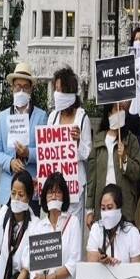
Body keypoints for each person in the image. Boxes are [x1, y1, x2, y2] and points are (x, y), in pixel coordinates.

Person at [0, 62, 49, 214]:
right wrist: (10, 162)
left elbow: (46, 152)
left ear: (31, 89)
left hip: (31, 188)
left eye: (25, 87)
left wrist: (28, 154)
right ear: (12, 87)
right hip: (8, 190)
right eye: (18, 86)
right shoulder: (3, 117)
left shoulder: (41, 116)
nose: (21, 90)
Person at [25, 172, 80, 279]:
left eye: (58, 192)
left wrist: (48, 278)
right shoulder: (38, 227)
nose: (54, 196)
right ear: (44, 197)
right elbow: (34, 268)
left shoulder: (73, 222)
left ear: (64, 196)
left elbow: (73, 263)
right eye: (50, 192)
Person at [47, 66, 92, 235]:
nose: (56, 94)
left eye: (60, 90)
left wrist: (77, 141)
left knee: (72, 232)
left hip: (74, 186)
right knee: (55, 229)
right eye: (55, 89)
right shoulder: (52, 117)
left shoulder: (82, 117)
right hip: (55, 186)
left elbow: (86, 153)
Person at [86, 103, 140, 228]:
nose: (120, 112)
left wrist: (125, 159)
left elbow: (137, 173)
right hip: (104, 204)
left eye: (122, 108)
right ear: (109, 113)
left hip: (125, 205)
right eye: (116, 109)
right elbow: (91, 178)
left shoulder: (131, 140)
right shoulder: (98, 140)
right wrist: (89, 210)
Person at [87, 184, 140, 265]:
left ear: (119, 208)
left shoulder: (132, 232)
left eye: (110, 207)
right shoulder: (96, 228)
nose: (106, 212)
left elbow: (138, 269)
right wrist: (101, 258)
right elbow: (90, 259)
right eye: (103, 208)